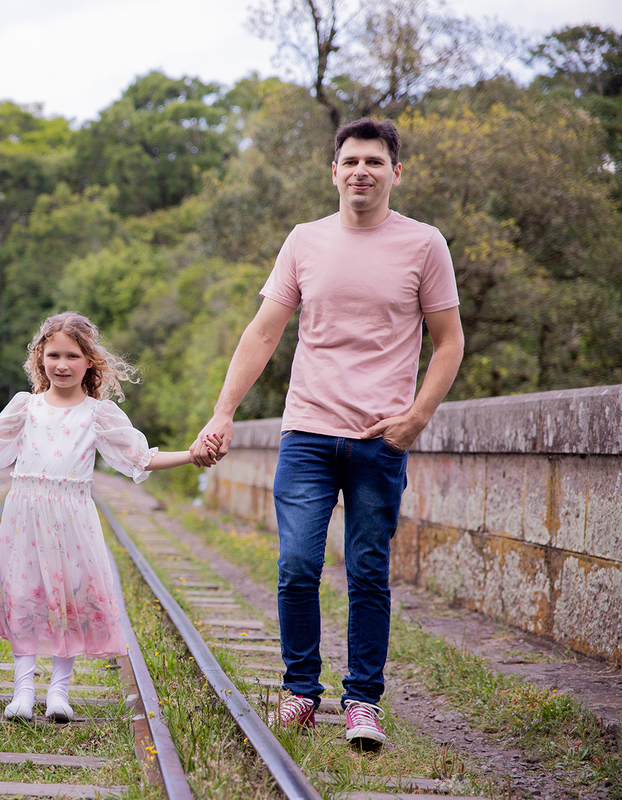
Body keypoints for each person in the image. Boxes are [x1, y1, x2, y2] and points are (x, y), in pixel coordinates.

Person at [190, 118, 464, 746]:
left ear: (397, 171)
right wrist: (223, 411)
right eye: (350, 161)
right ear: (334, 171)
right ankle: (300, 692)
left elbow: (449, 342)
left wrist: (416, 417)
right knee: (296, 565)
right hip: (308, 433)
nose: (360, 171)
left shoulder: (424, 245)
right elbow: (263, 332)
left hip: (379, 440)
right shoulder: (304, 241)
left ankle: (363, 701)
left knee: (368, 570)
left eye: (374, 161)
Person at [0, 312, 215, 722]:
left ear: (90, 361)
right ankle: (22, 690)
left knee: (66, 599)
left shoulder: (97, 413)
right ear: (40, 357)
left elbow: (139, 457)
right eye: (53, 354)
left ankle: (58, 691)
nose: (62, 364)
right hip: (25, 514)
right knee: (23, 594)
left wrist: (191, 455)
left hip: (72, 518)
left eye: (73, 355)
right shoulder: (26, 406)